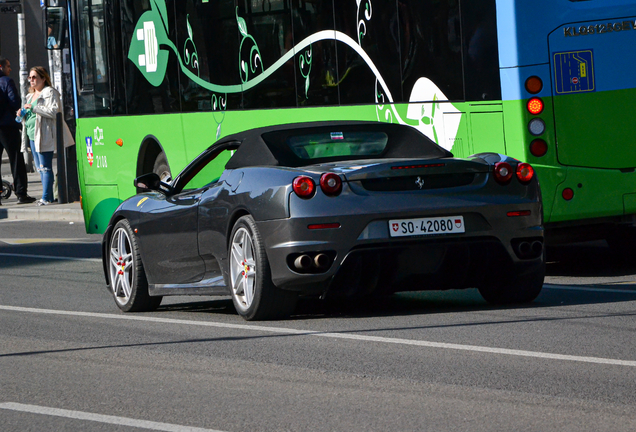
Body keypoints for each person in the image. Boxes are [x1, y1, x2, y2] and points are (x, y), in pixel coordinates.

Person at [20, 66, 74, 205]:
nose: (31, 80)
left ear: (43, 78)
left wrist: (33, 108)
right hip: (32, 135)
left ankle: (46, 197)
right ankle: (47, 196)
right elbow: (30, 114)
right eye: (30, 77)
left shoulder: (50, 92)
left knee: (45, 167)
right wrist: (21, 113)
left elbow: (54, 111)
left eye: (34, 77)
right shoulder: (30, 95)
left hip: (44, 134)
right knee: (40, 168)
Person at [0, 56, 36, 205]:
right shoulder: (7, 81)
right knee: (16, 160)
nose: (10, 69)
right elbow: (14, 101)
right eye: (8, 66)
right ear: (1, 67)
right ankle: (21, 193)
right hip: (8, 126)